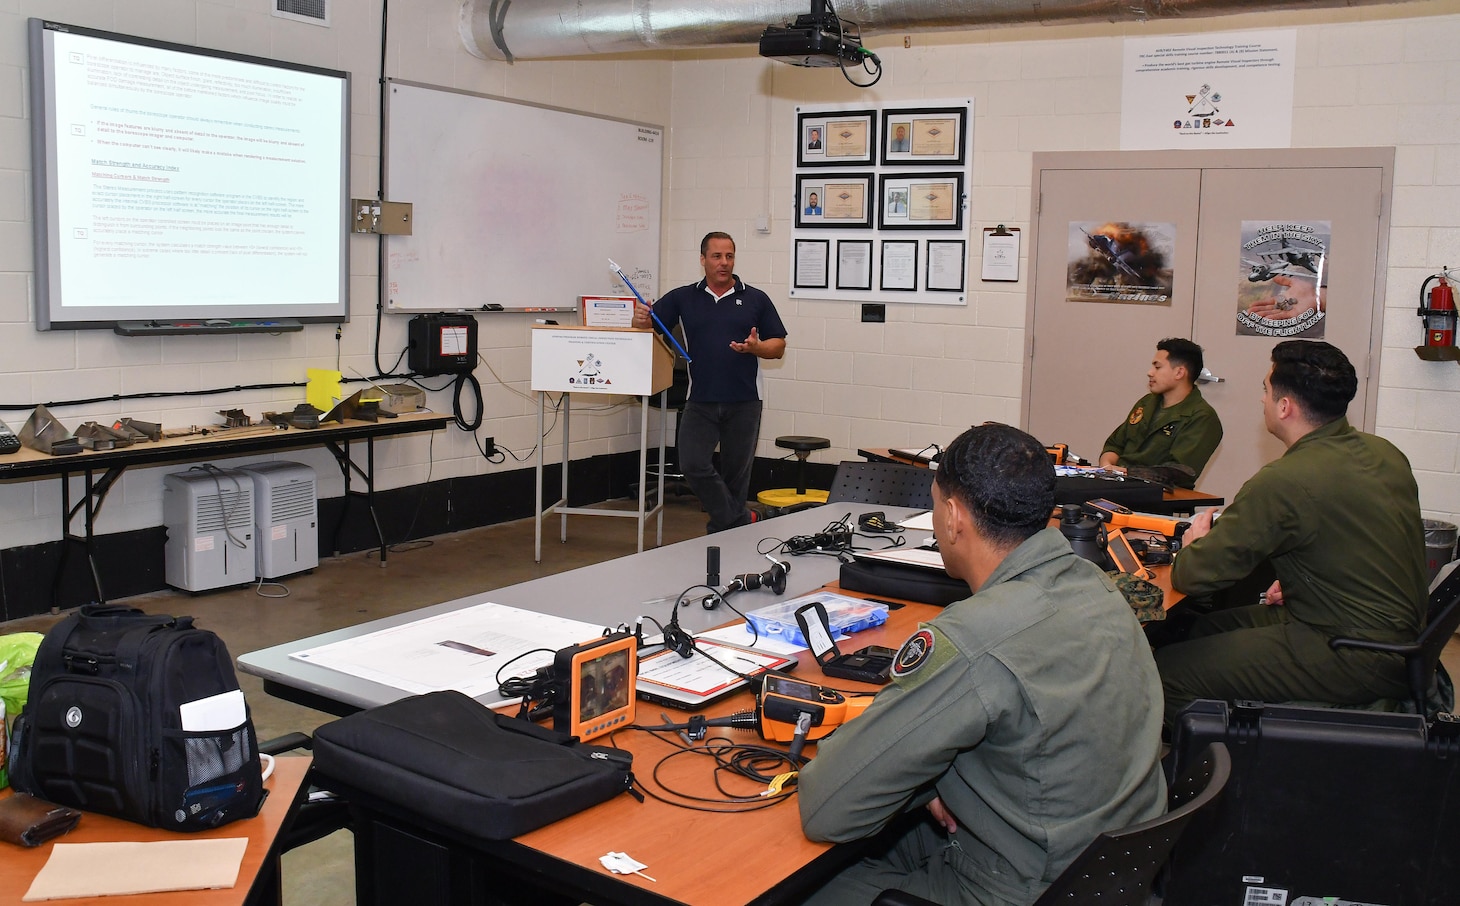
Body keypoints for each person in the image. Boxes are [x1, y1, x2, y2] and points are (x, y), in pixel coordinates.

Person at [797, 423, 1166, 906]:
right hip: (1105, 869)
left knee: (780, 888)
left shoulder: (975, 636)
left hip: (1024, 885)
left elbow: (828, 808)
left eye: (933, 506)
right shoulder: (1094, 584)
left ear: (952, 517)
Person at [1155, 340, 1428, 726]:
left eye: (1265, 391)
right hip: (1393, 637)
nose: (1262, 401)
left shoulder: (1283, 481)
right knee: (1196, 629)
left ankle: (1234, 767)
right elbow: (1362, 537)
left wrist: (1193, 544)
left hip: (1351, 649)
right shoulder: (1385, 453)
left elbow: (1195, 575)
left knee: (1161, 675)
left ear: (1285, 407)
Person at [631, 232, 786, 533]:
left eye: (729, 256)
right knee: (692, 464)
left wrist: (756, 348)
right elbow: (649, 324)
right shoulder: (682, 297)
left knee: (736, 478)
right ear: (703, 260)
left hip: (745, 401)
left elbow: (778, 346)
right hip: (700, 399)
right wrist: (639, 319)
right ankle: (741, 520)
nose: (724, 263)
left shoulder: (755, 298)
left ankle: (725, 535)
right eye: (717, 256)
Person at [1099, 337, 1223, 488]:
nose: (1150, 373)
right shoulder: (1146, 403)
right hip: (1117, 485)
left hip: (1157, 496)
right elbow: (1115, 445)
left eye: (1157, 367)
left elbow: (1178, 472)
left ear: (1179, 372)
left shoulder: (1202, 417)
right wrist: (1107, 466)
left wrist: (1124, 473)